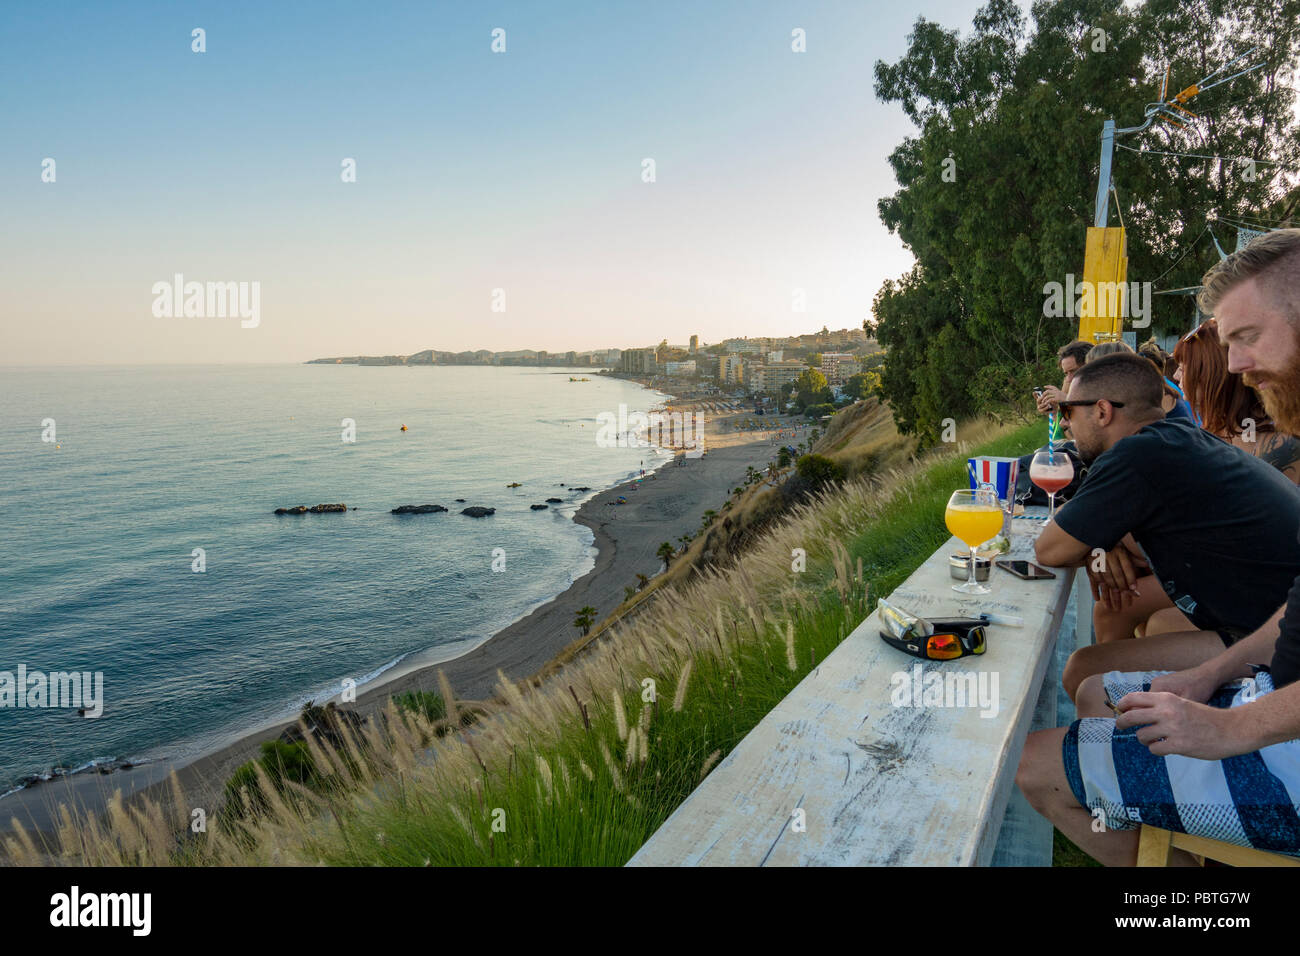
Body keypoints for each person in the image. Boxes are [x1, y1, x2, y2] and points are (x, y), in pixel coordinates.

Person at [1017, 228, 1300, 865]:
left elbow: (1049, 549)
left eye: (1246, 338)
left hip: (1280, 733)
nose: (1232, 367)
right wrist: (1208, 678)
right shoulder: (1171, 442)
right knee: (1094, 686)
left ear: (1106, 411)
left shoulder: (1147, 453)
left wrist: (1226, 726)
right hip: (1255, 655)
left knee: (1037, 762)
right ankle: (1180, 839)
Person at [1031, 352, 1300, 696]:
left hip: (1275, 640)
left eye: (1068, 411)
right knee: (1116, 614)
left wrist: (1088, 541)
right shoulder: (1177, 438)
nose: (1065, 423)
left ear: (1102, 411)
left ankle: (1123, 745)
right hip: (1269, 616)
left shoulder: (1134, 456)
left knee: (1085, 671)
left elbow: (1049, 549)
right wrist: (1101, 542)